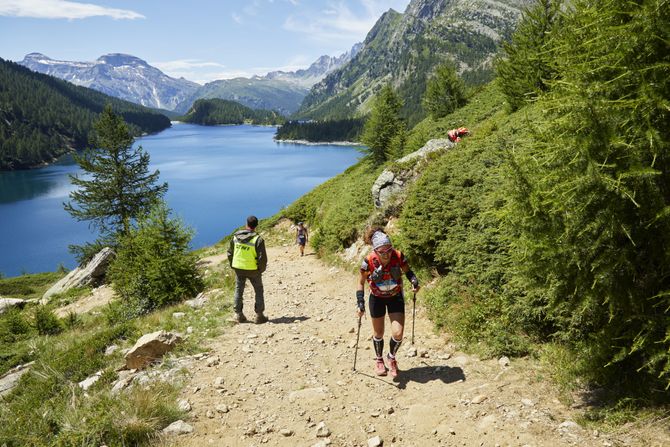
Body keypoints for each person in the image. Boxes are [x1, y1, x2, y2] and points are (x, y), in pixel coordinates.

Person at [356, 227, 419, 377]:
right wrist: (360, 302)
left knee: (398, 333)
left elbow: (408, 271)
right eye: (382, 252)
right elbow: (361, 283)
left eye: (389, 250)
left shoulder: (397, 256)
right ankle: (379, 360)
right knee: (378, 333)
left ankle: (391, 357)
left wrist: (414, 280)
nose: (387, 254)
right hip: (376, 298)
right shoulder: (368, 261)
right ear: (376, 251)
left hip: (395, 296)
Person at [227, 215, 268, 324]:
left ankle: (238, 315)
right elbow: (262, 258)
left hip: (239, 268)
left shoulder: (235, 237)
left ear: (246, 224)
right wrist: (260, 270)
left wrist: (233, 265)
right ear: (256, 225)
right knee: (258, 290)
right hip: (253, 270)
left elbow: (230, 253)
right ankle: (259, 316)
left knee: (238, 290)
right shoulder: (258, 239)